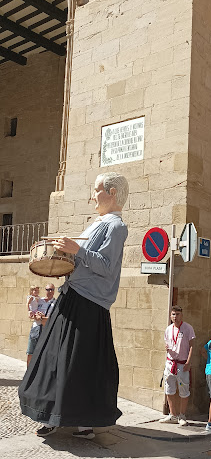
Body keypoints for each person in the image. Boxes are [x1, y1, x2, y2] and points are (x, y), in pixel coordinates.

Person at [19, 172, 129, 439]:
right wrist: (65, 255)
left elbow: (106, 266)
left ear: (112, 193)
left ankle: (82, 423)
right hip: (71, 296)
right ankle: (50, 414)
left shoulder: (116, 227)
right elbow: (83, 261)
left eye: (96, 190)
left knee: (78, 364)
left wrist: (77, 251)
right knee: (53, 360)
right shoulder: (97, 223)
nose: (93, 195)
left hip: (89, 305)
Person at [160, 305, 195, 427]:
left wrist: (188, 362)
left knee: (184, 390)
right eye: (173, 314)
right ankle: (173, 415)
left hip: (182, 364)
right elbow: (167, 344)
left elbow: (191, 346)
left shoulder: (187, 328)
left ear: (182, 315)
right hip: (170, 363)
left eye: (178, 314)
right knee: (169, 389)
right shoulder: (168, 329)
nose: (175, 317)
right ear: (170, 316)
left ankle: (182, 415)